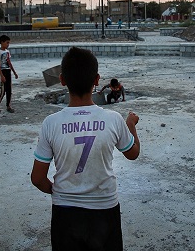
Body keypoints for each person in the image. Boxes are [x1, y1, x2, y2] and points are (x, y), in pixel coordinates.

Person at [31, 47, 140, 250]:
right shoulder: (114, 119)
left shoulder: (51, 123)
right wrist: (131, 126)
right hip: (104, 209)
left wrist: (57, 191)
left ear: (62, 80)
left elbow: (37, 178)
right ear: (97, 80)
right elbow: (133, 153)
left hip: (65, 212)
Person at [0, 35, 18, 113]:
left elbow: (9, 63)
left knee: (9, 90)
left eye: (8, 43)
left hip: (8, 71)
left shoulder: (7, 52)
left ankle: (8, 106)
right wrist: (1, 76)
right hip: (2, 72)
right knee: (2, 90)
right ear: (2, 42)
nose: (8, 44)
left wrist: (14, 72)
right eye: (7, 43)